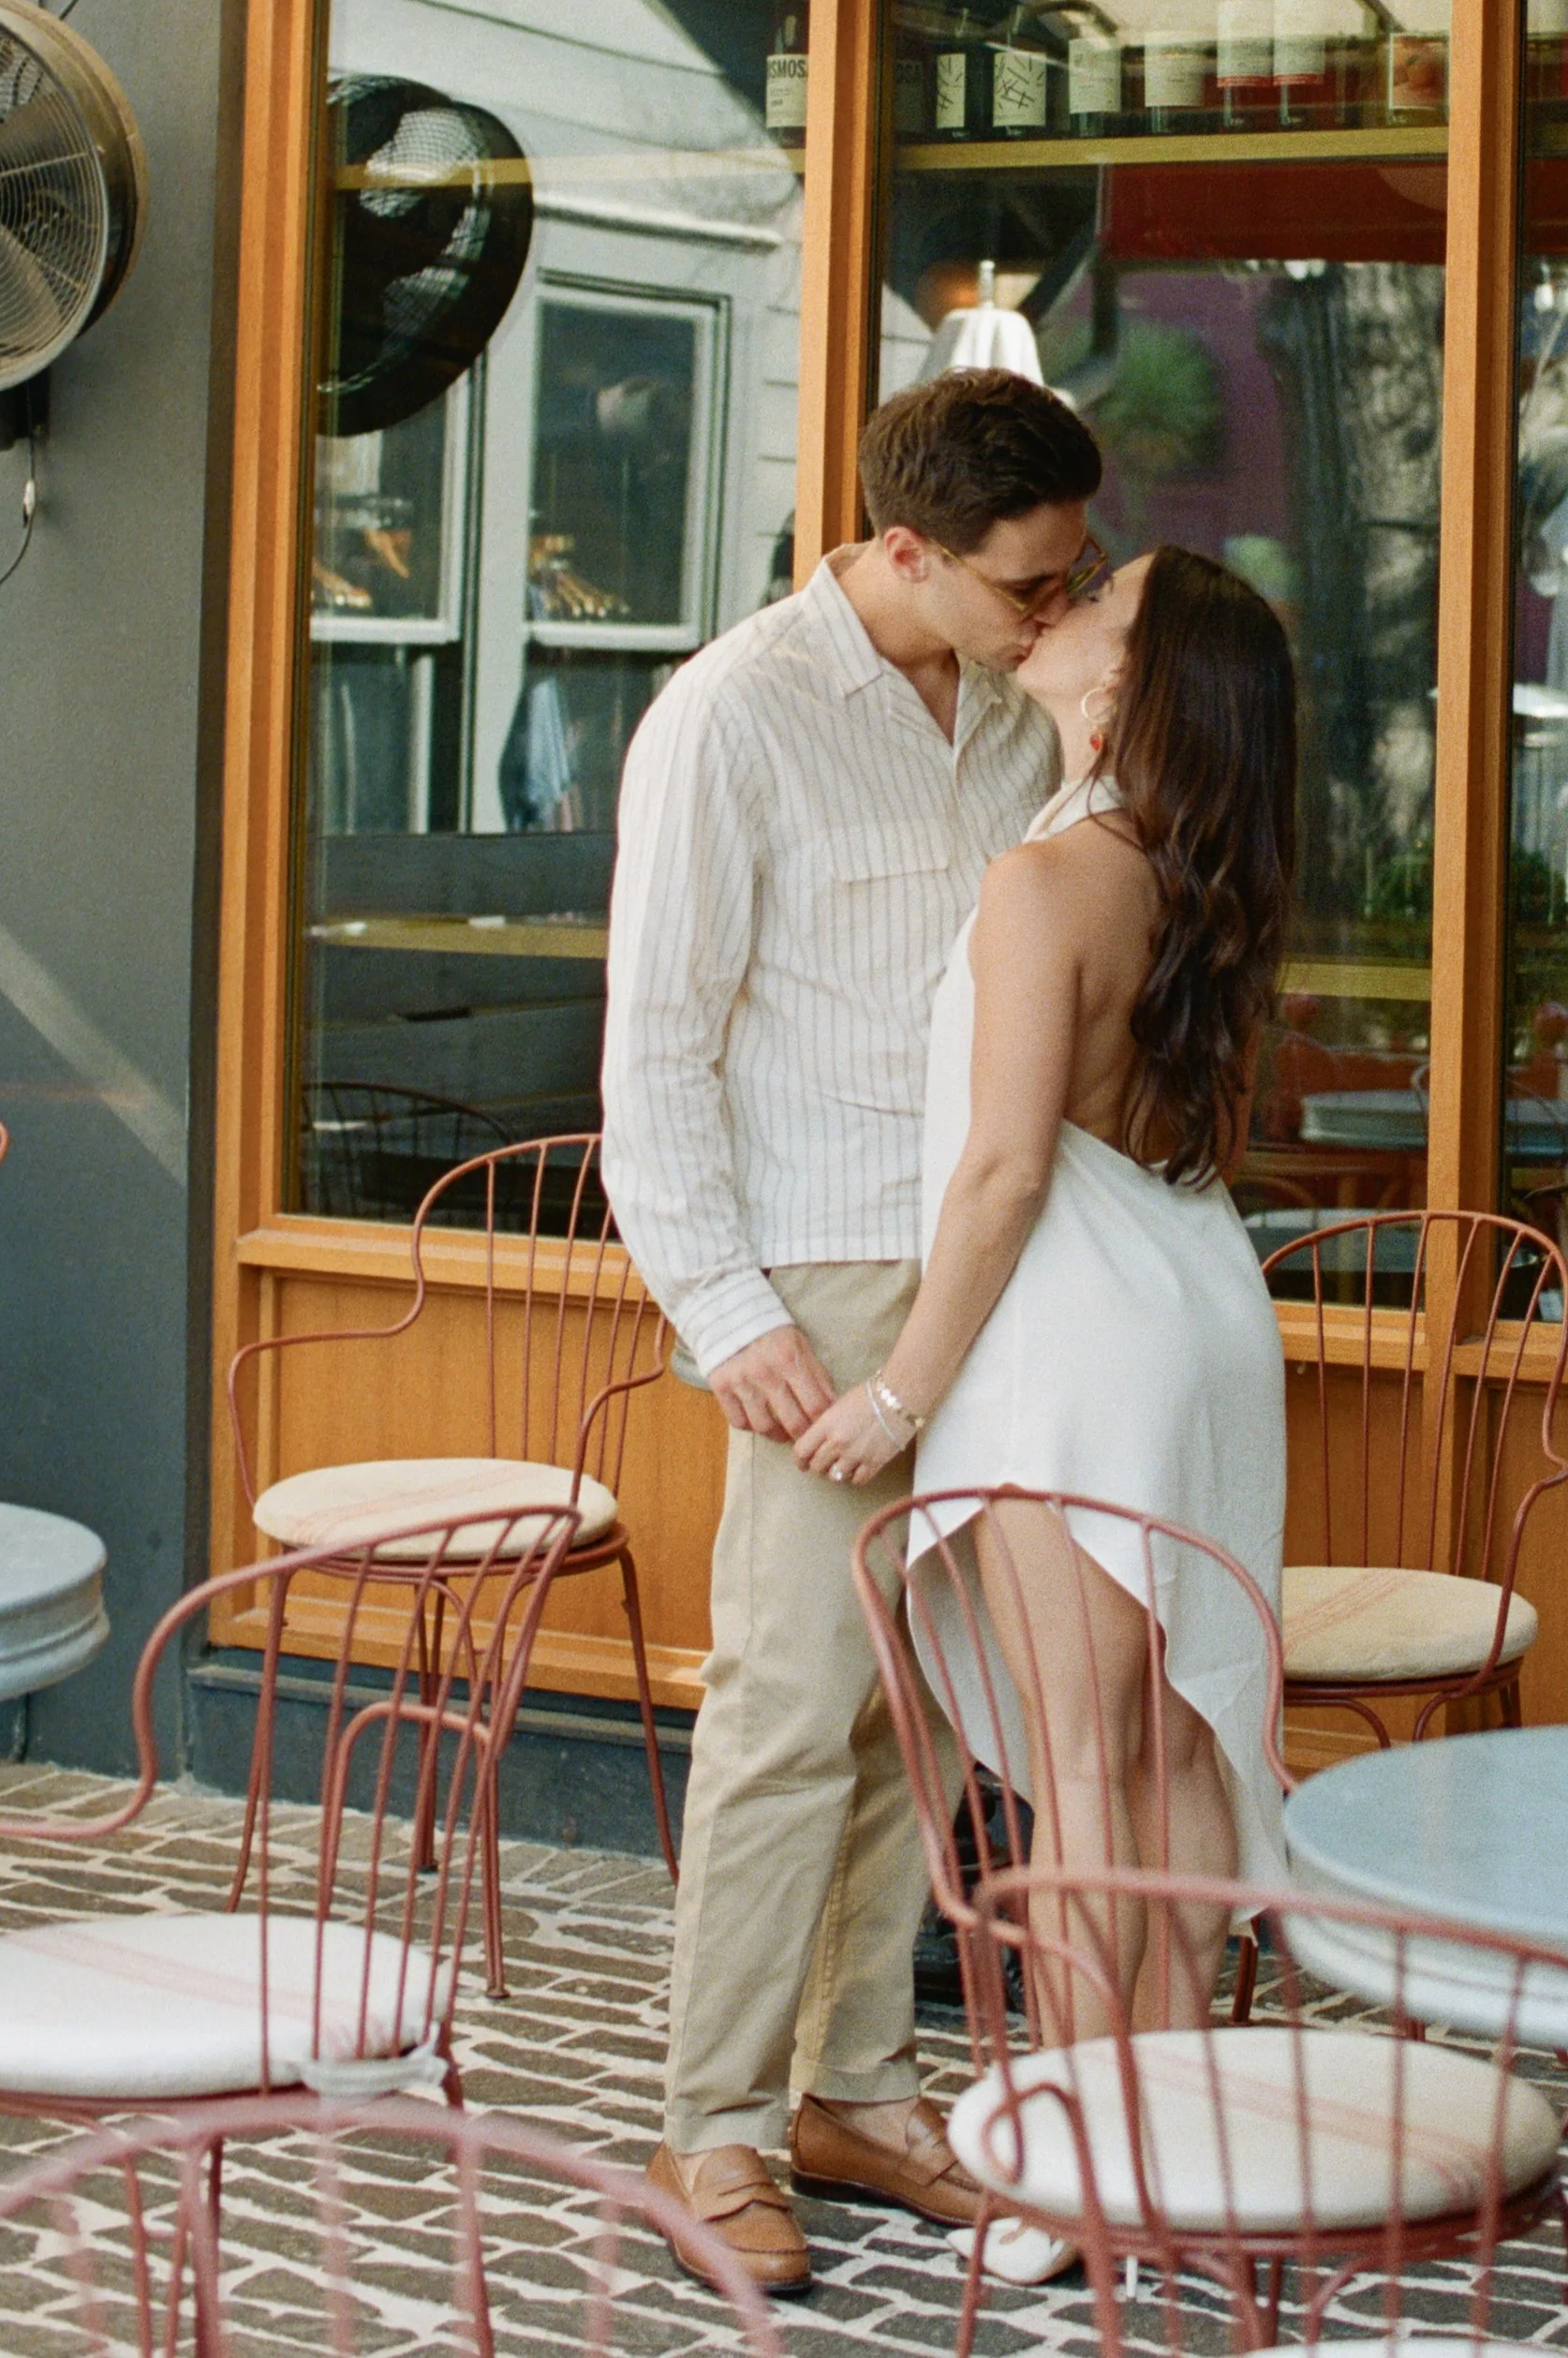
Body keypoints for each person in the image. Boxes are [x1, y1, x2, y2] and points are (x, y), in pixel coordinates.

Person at [601, 367, 1102, 2296]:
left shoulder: (1009, 702)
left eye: (1070, 582)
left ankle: (858, 2085)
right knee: (789, 1711)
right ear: (905, 549)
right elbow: (655, 1046)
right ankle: (711, 2129)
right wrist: (725, 1312)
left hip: (983, 1275)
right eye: (1024, 585)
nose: (1054, 613)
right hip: (812, 1279)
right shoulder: (731, 714)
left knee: (922, 1703)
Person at [794, 544, 1295, 2052]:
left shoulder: (1047, 880)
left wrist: (897, 1391)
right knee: (1173, 1743)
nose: (1058, 608)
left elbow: (1006, 1171)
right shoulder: (1190, 876)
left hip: (1070, 1343)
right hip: (1198, 1314)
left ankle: (1090, 2139)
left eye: (1098, 602)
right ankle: (1173, 2108)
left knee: (1082, 1768)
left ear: (1126, 678)